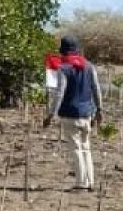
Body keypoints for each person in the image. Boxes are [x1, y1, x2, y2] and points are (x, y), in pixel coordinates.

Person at [43, 35, 104, 191]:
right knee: (86, 148)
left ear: (63, 52)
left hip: (69, 115)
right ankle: (90, 182)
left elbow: (59, 93)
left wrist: (51, 114)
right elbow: (96, 89)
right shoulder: (89, 66)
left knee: (76, 149)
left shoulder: (63, 69)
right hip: (86, 115)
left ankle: (81, 184)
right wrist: (99, 110)